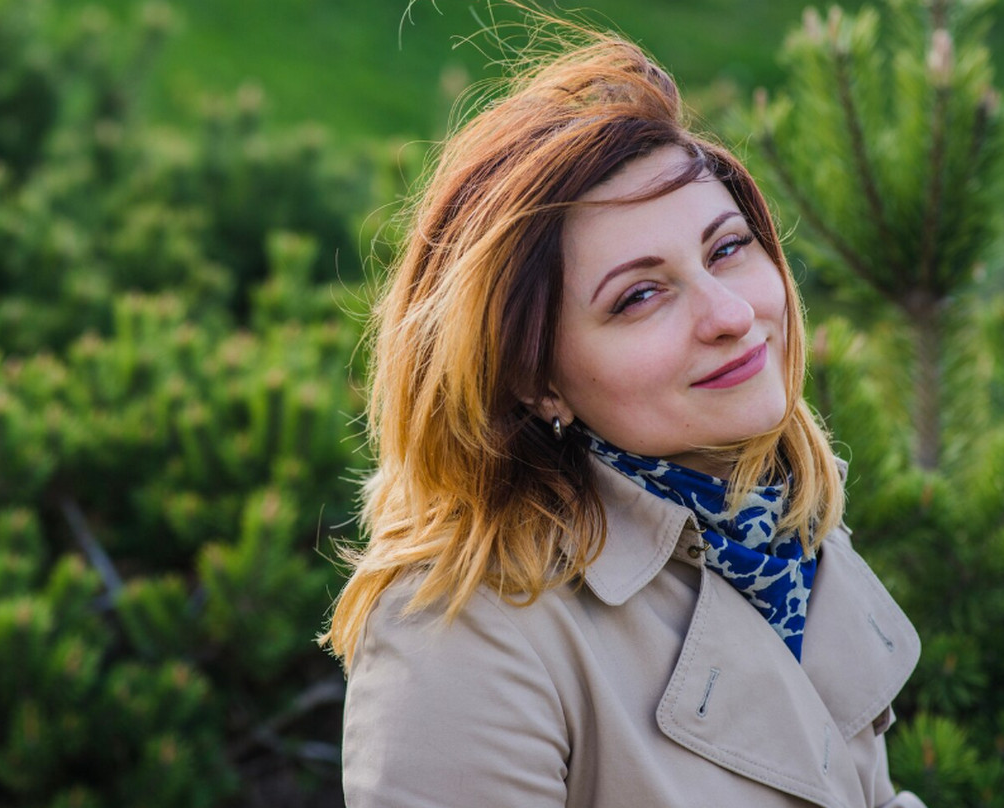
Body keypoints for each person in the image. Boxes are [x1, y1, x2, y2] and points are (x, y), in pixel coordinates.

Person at [323, 25, 926, 808]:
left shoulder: (779, 531)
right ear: (535, 380)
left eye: (727, 249)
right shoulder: (467, 633)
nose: (730, 314)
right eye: (640, 296)